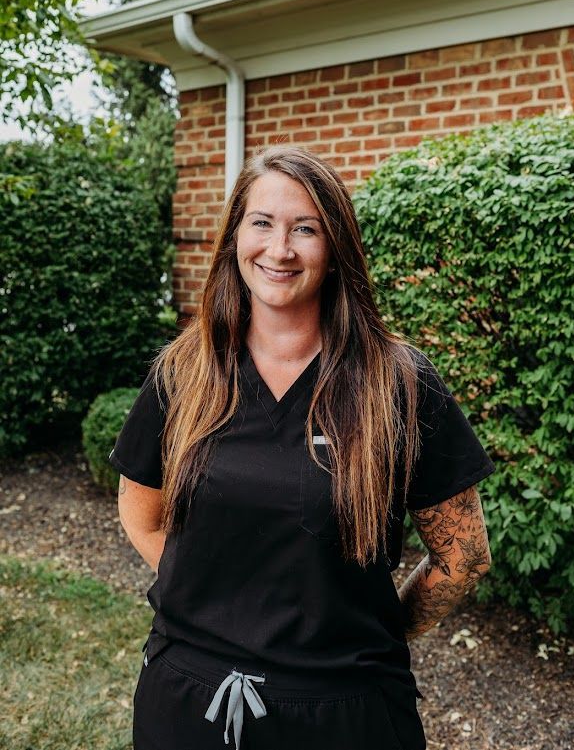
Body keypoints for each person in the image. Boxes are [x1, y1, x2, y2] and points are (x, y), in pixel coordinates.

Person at [109, 144, 495, 750]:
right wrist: (224, 602)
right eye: (261, 222)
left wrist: (368, 629)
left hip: (347, 710)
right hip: (188, 701)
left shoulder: (396, 383)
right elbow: (142, 515)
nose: (280, 248)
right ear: (235, 236)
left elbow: (464, 555)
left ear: (336, 247)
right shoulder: (185, 373)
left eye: (306, 229)